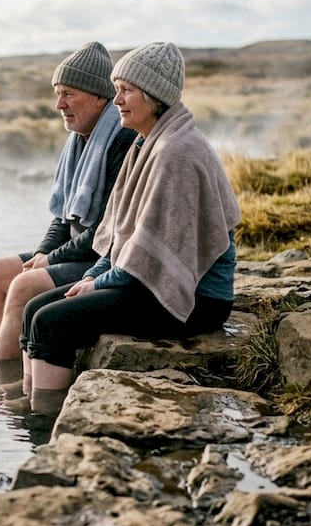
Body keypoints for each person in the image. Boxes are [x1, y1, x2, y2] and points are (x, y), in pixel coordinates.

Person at [19, 40, 241, 414]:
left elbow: (151, 250)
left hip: (197, 298)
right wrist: (93, 274)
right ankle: (29, 404)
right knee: (34, 309)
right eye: (116, 89)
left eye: (126, 91)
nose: (116, 99)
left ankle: (46, 422)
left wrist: (98, 283)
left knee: (51, 322)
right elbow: (121, 231)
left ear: (154, 96)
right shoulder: (147, 143)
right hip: (145, 281)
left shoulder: (176, 152)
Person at [0, 42, 137, 392]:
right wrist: (41, 254)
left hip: (102, 258)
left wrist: (51, 260)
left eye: (67, 94)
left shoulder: (121, 140)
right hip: (76, 250)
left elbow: (102, 232)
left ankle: (5, 385)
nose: (58, 104)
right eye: (57, 93)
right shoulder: (79, 139)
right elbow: (63, 217)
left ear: (98, 98)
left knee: (24, 286)